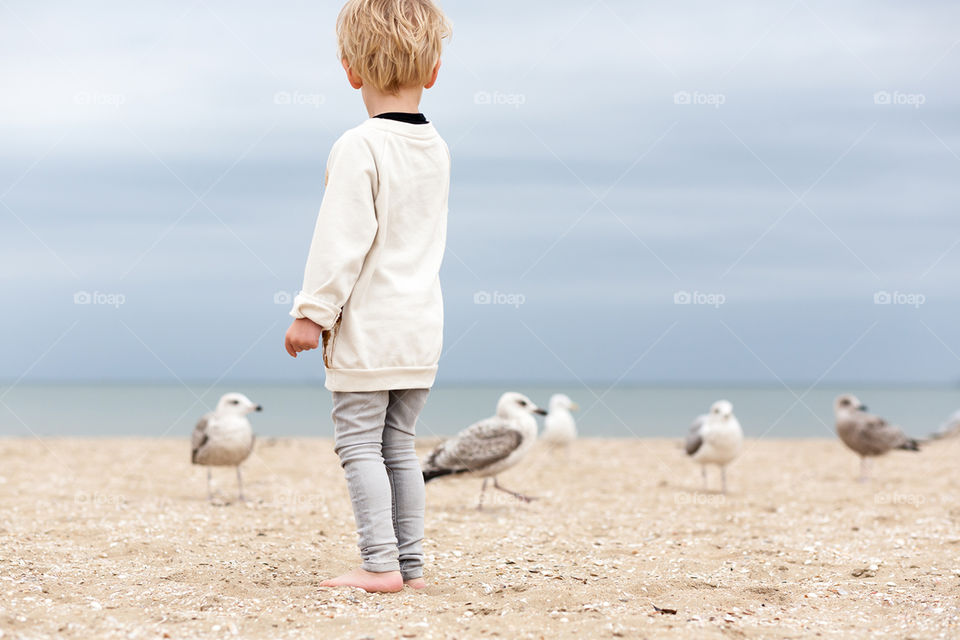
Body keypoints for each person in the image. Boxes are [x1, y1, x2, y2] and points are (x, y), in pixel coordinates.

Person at [283, 0, 451, 593]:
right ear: (433, 72)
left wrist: (312, 312)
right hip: (421, 327)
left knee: (358, 443)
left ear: (352, 70)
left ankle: (378, 565)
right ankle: (410, 567)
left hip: (371, 328)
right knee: (399, 447)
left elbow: (341, 239)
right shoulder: (436, 147)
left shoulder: (360, 145)